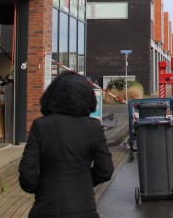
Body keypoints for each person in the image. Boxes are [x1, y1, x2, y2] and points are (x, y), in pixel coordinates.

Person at [19, 70, 114, 218]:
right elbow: (105, 170)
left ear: (53, 96)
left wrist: (43, 188)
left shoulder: (41, 126)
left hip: (47, 209)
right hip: (85, 208)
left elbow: (27, 174)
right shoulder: (94, 127)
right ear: (87, 97)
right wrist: (84, 182)